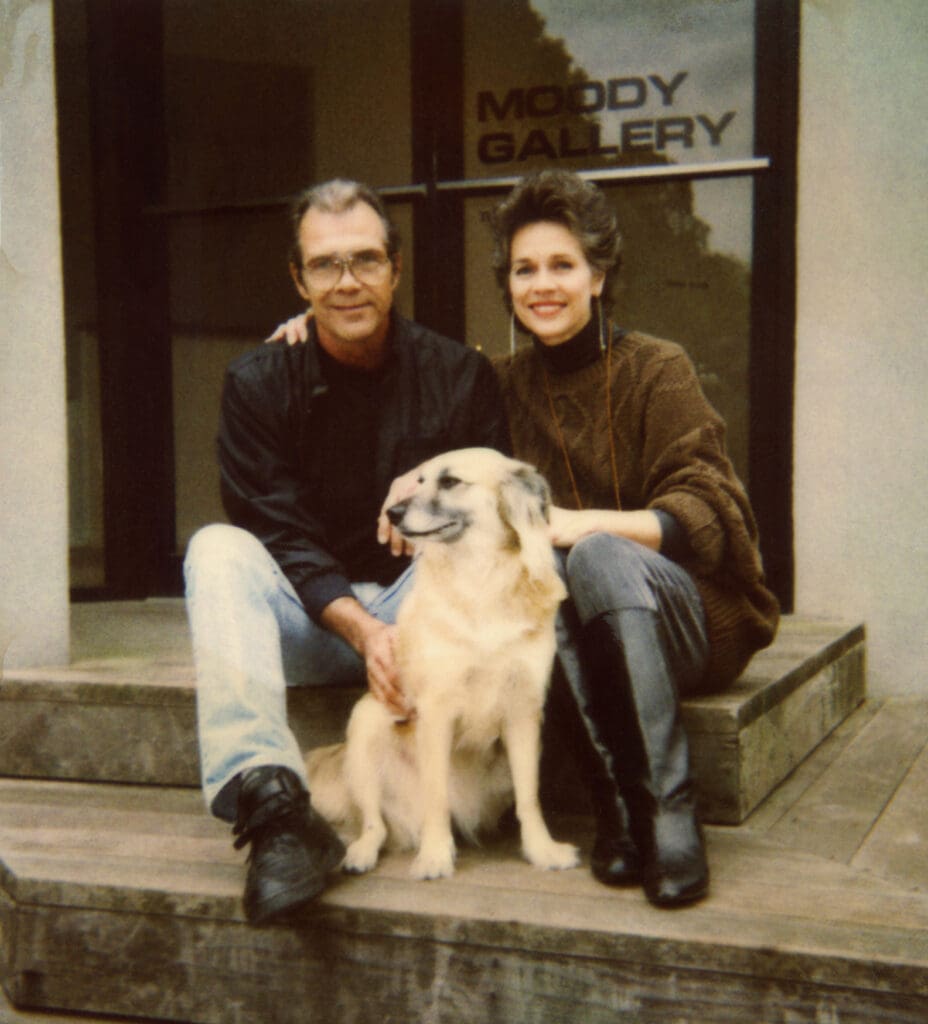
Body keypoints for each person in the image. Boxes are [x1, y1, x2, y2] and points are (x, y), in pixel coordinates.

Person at [184, 178, 510, 925]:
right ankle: (273, 813)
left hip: (418, 615)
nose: (348, 281)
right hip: (312, 621)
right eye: (326, 266)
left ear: (396, 268)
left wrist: (436, 483)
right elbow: (278, 530)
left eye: (366, 260)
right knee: (217, 549)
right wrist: (364, 633)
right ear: (299, 281)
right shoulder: (259, 382)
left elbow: (492, 523)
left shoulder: (460, 375)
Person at [487, 169, 780, 907]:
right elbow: (405, 377)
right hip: (581, 633)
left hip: (689, 624)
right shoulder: (500, 383)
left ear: (598, 274)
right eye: (525, 269)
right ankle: (617, 812)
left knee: (592, 552)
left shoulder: (657, 366)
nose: (542, 284)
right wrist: (303, 334)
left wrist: (591, 524)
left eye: (563, 264)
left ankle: (671, 813)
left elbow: (711, 507)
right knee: (535, 568)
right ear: (509, 284)